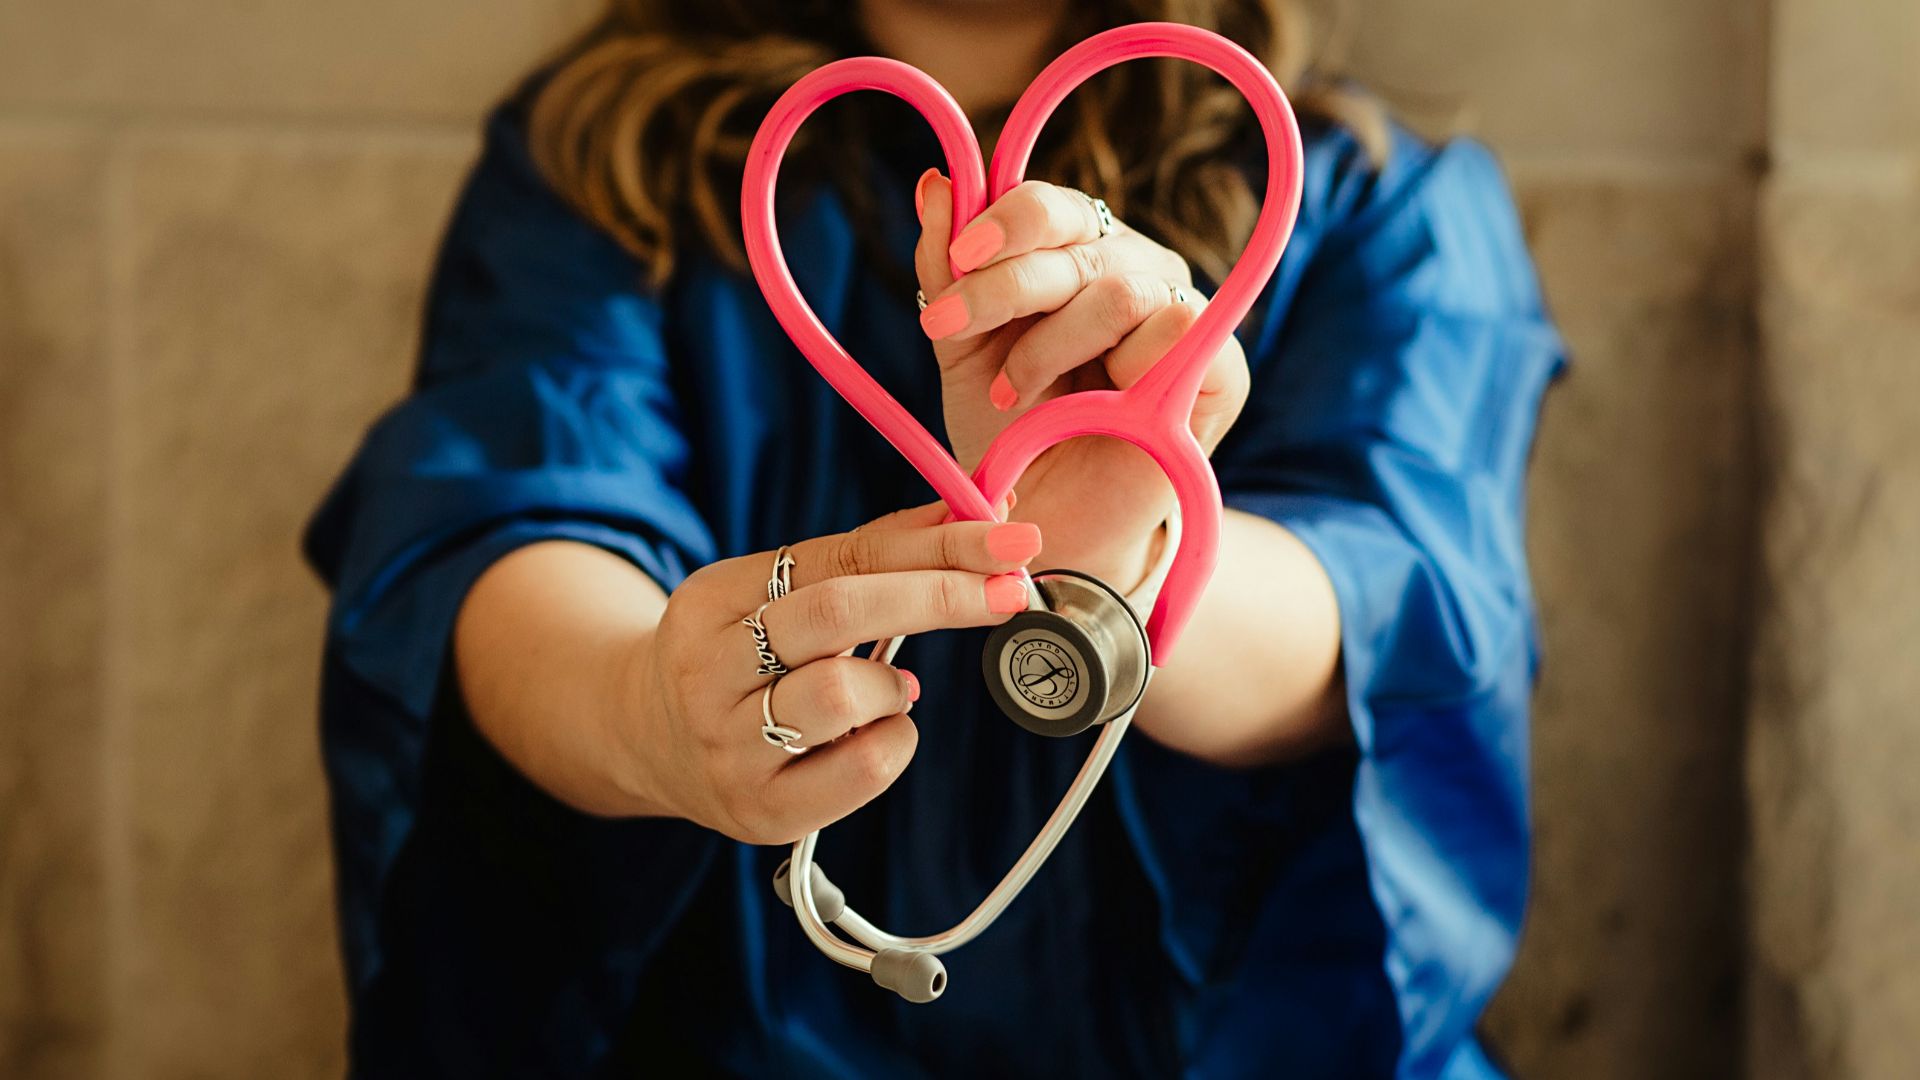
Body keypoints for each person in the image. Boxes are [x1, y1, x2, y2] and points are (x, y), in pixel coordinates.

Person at [304, 0, 1564, 1075]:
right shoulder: (599, 163)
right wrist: (648, 710)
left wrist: (1119, 565)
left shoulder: (1374, 199)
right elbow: (496, 524)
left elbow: (1397, 607)